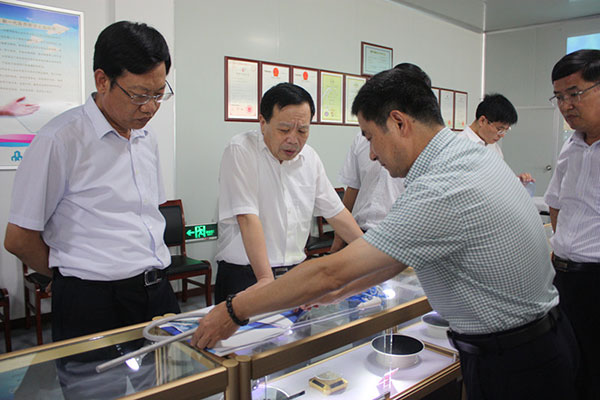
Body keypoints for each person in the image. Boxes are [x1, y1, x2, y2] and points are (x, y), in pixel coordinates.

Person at [192, 68, 579, 400]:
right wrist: (337, 292)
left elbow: (331, 269)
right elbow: (391, 259)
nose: (372, 155)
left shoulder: (443, 184)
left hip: (517, 360)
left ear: (398, 122)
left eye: (369, 137)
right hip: (533, 344)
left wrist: (234, 310)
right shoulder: (465, 158)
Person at [4, 21, 180, 343]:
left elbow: (148, 214)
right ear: (102, 80)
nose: (151, 107)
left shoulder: (145, 136)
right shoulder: (59, 140)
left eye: (158, 94)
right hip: (93, 302)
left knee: (170, 372)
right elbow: (19, 238)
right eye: (140, 95)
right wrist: (68, 276)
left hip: (156, 291)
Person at [214, 82, 363, 303]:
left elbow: (337, 213)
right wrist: (266, 281)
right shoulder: (241, 150)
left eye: (302, 130)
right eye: (284, 130)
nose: (293, 139)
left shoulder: (310, 158)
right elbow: (247, 217)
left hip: (295, 274)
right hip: (247, 275)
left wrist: (375, 256)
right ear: (263, 123)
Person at [544, 49, 600, 400]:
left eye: (575, 93)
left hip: (596, 279)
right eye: (559, 97)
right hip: (565, 277)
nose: (566, 105)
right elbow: (556, 203)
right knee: (567, 367)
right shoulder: (571, 146)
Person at [332, 63, 429, 251]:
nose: (372, 154)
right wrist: (338, 240)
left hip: (398, 239)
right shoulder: (361, 138)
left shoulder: (426, 148)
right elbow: (353, 187)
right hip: (358, 233)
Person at [458, 94, 534, 183]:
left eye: (506, 130)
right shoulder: (459, 146)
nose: (502, 135)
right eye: (499, 129)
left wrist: (516, 181)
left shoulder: (494, 147)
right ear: (482, 121)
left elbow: (499, 179)